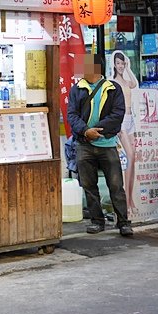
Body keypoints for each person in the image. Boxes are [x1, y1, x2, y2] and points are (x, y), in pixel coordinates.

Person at [67, 53, 133, 236]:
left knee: (116, 186)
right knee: (89, 185)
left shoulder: (114, 88)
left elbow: (117, 114)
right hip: (84, 144)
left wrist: (97, 130)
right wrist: (86, 131)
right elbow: (72, 115)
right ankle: (97, 221)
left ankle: (124, 222)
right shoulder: (77, 89)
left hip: (108, 144)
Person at [111, 50, 138, 212]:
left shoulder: (126, 81)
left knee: (132, 161)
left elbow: (134, 84)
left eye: (123, 63)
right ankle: (126, 201)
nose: (120, 66)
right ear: (113, 64)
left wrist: (128, 68)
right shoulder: (113, 82)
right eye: (118, 63)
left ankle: (131, 199)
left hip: (131, 120)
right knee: (130, 157)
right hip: (121, 123)